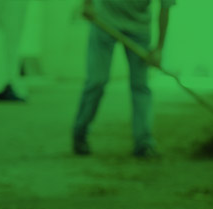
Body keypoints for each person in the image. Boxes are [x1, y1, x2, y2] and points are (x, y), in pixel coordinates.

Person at [72, 0, 173, 157]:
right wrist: (88, 4)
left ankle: (144, 142)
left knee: (140, 86)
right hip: (104, 20)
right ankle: (80, 134)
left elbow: (165, 7)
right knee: (97, 81)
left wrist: (159, 48)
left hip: (139, 29)